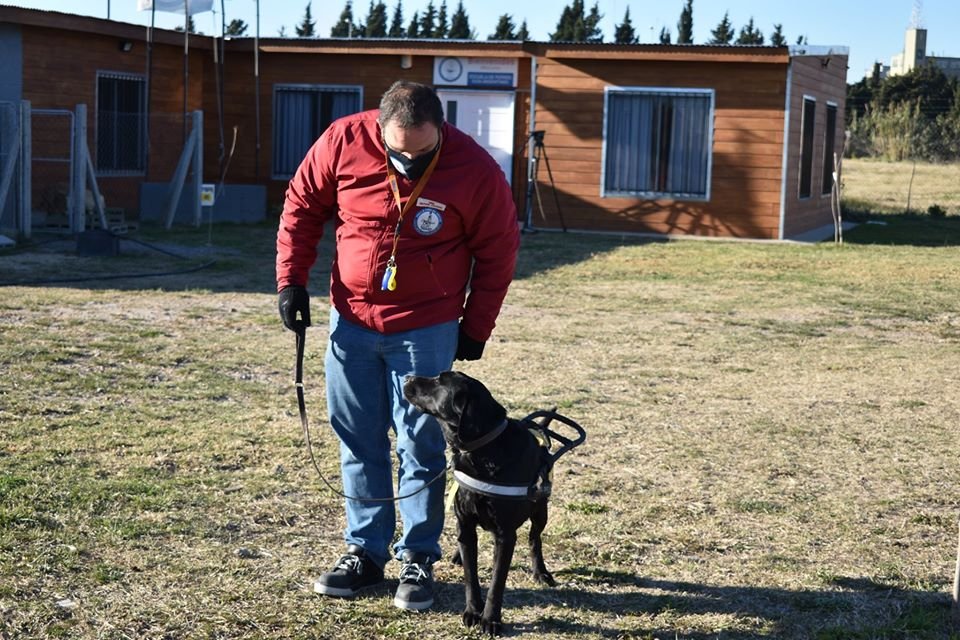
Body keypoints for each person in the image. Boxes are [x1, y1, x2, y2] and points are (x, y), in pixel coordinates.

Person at [276, 80, 520, 611]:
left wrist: (476, 326)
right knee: (358, 437)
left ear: (442, 129)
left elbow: (499, 250)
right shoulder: (342, 140)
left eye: (422, 151)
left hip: (426, 327)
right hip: (353, 323)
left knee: (422, 445)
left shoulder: (474, 168)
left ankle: (419, 556)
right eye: (397, 150)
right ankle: (364, 551)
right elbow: (300, 205)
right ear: (378, 127)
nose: (409, 161)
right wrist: (291, 281)